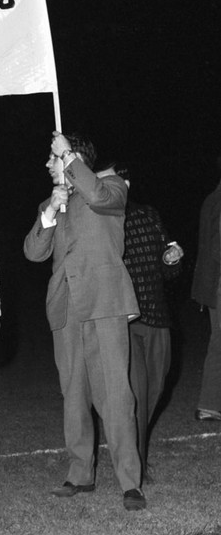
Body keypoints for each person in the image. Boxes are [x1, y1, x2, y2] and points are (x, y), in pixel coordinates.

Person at [24, 132, 145, 511]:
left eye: (52, 157)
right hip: (66, 307)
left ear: (72, 156)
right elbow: (33, 252)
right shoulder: (54, 200)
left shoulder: (111, 186)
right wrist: (48, 213)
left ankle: (130, 482)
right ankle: (80, 474)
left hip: (105, 302)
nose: (48, 164)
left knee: (115, 395)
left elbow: (99, 197)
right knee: (73, 393)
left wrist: (69, 158)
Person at [99, 162, 183, 476]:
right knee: (135, 394)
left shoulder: (148, 215)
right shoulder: (102, 218)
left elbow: (167, 270)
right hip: (124, 319)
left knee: (155, 390)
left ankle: (133, 453)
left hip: (158, 315)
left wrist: (171, 259)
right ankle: (136, 465)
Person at [190, 159, 221, 422]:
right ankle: (209, 404)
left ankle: (210, 404)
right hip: (218, 281)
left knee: (218, 341)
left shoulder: (212, 198)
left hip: (213, 282)